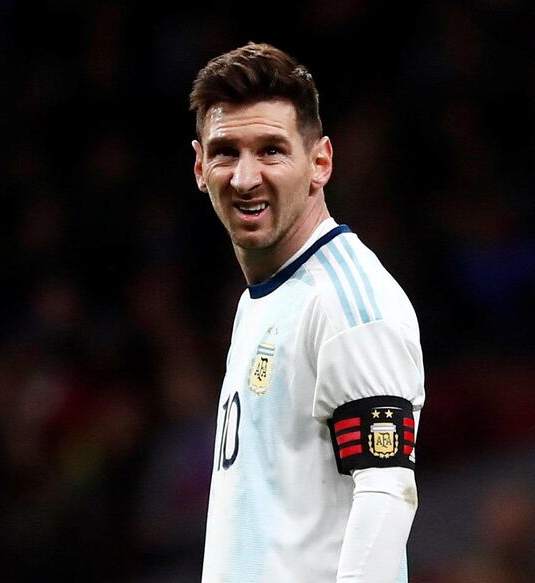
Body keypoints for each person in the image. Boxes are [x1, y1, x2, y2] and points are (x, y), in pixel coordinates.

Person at [189, 42, 425, 582]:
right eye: (226, 152)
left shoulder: (348, 301)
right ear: (200, 167)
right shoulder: (267, 298)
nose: (246, 178)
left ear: (320, 162)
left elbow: (386, 491)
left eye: (271, 150)